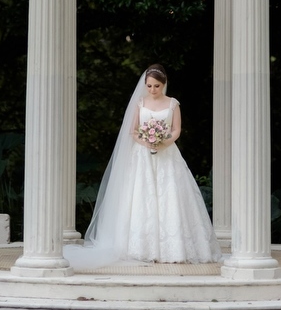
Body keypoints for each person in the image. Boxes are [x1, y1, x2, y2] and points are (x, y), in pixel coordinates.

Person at [66, 64, 221, 268]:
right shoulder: (140, 103)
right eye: (149, 86)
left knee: (170, 196)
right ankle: (140, 248)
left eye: (156, 86)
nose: (152, 90)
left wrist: (163, 141)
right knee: (142, 195)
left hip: (167, 154)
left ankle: (173, 248)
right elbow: (133, 131)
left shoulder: (173, 104)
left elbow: (176, 130)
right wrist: (147, 141)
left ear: (163, 84)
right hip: (142, 155)